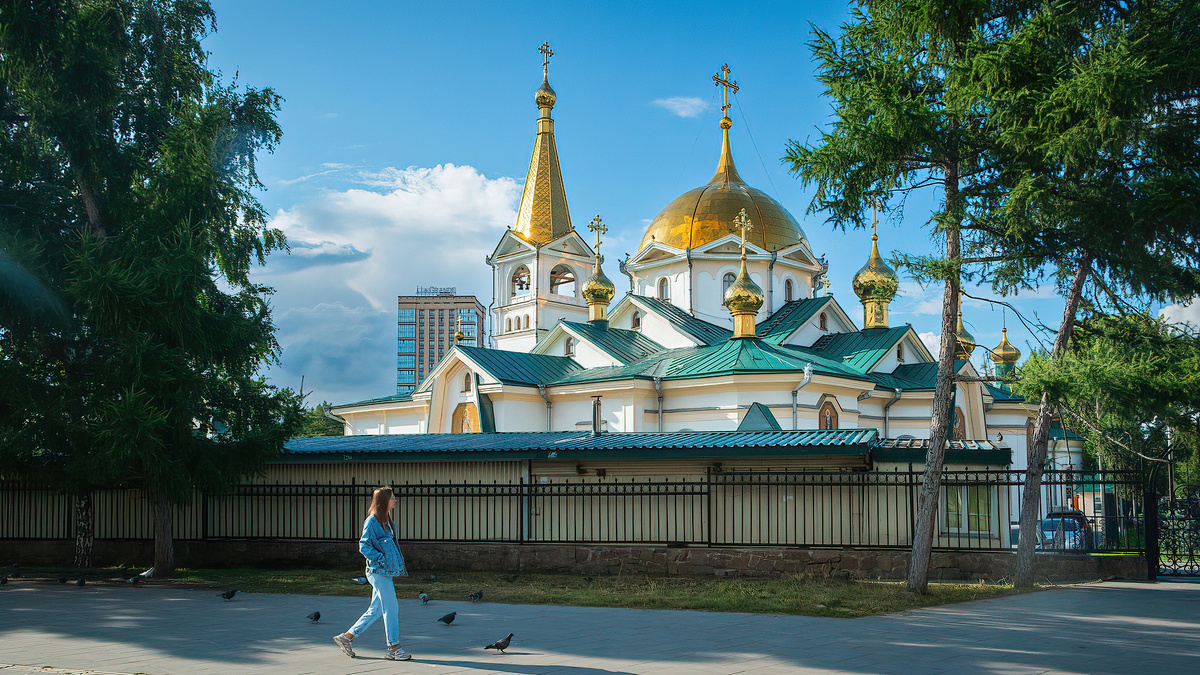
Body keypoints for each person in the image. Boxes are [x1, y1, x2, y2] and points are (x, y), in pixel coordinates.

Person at [333, 487, 410, 661]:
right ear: (384, 501)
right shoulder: (372, 522)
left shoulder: (386, 520)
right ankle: (394, 648)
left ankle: (347, 637)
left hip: (385, 571)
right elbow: (364, 546)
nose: (395, 500)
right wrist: (381, 558)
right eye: (392, 498)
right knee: (391, 609)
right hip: (378, 572)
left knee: (375, 610)